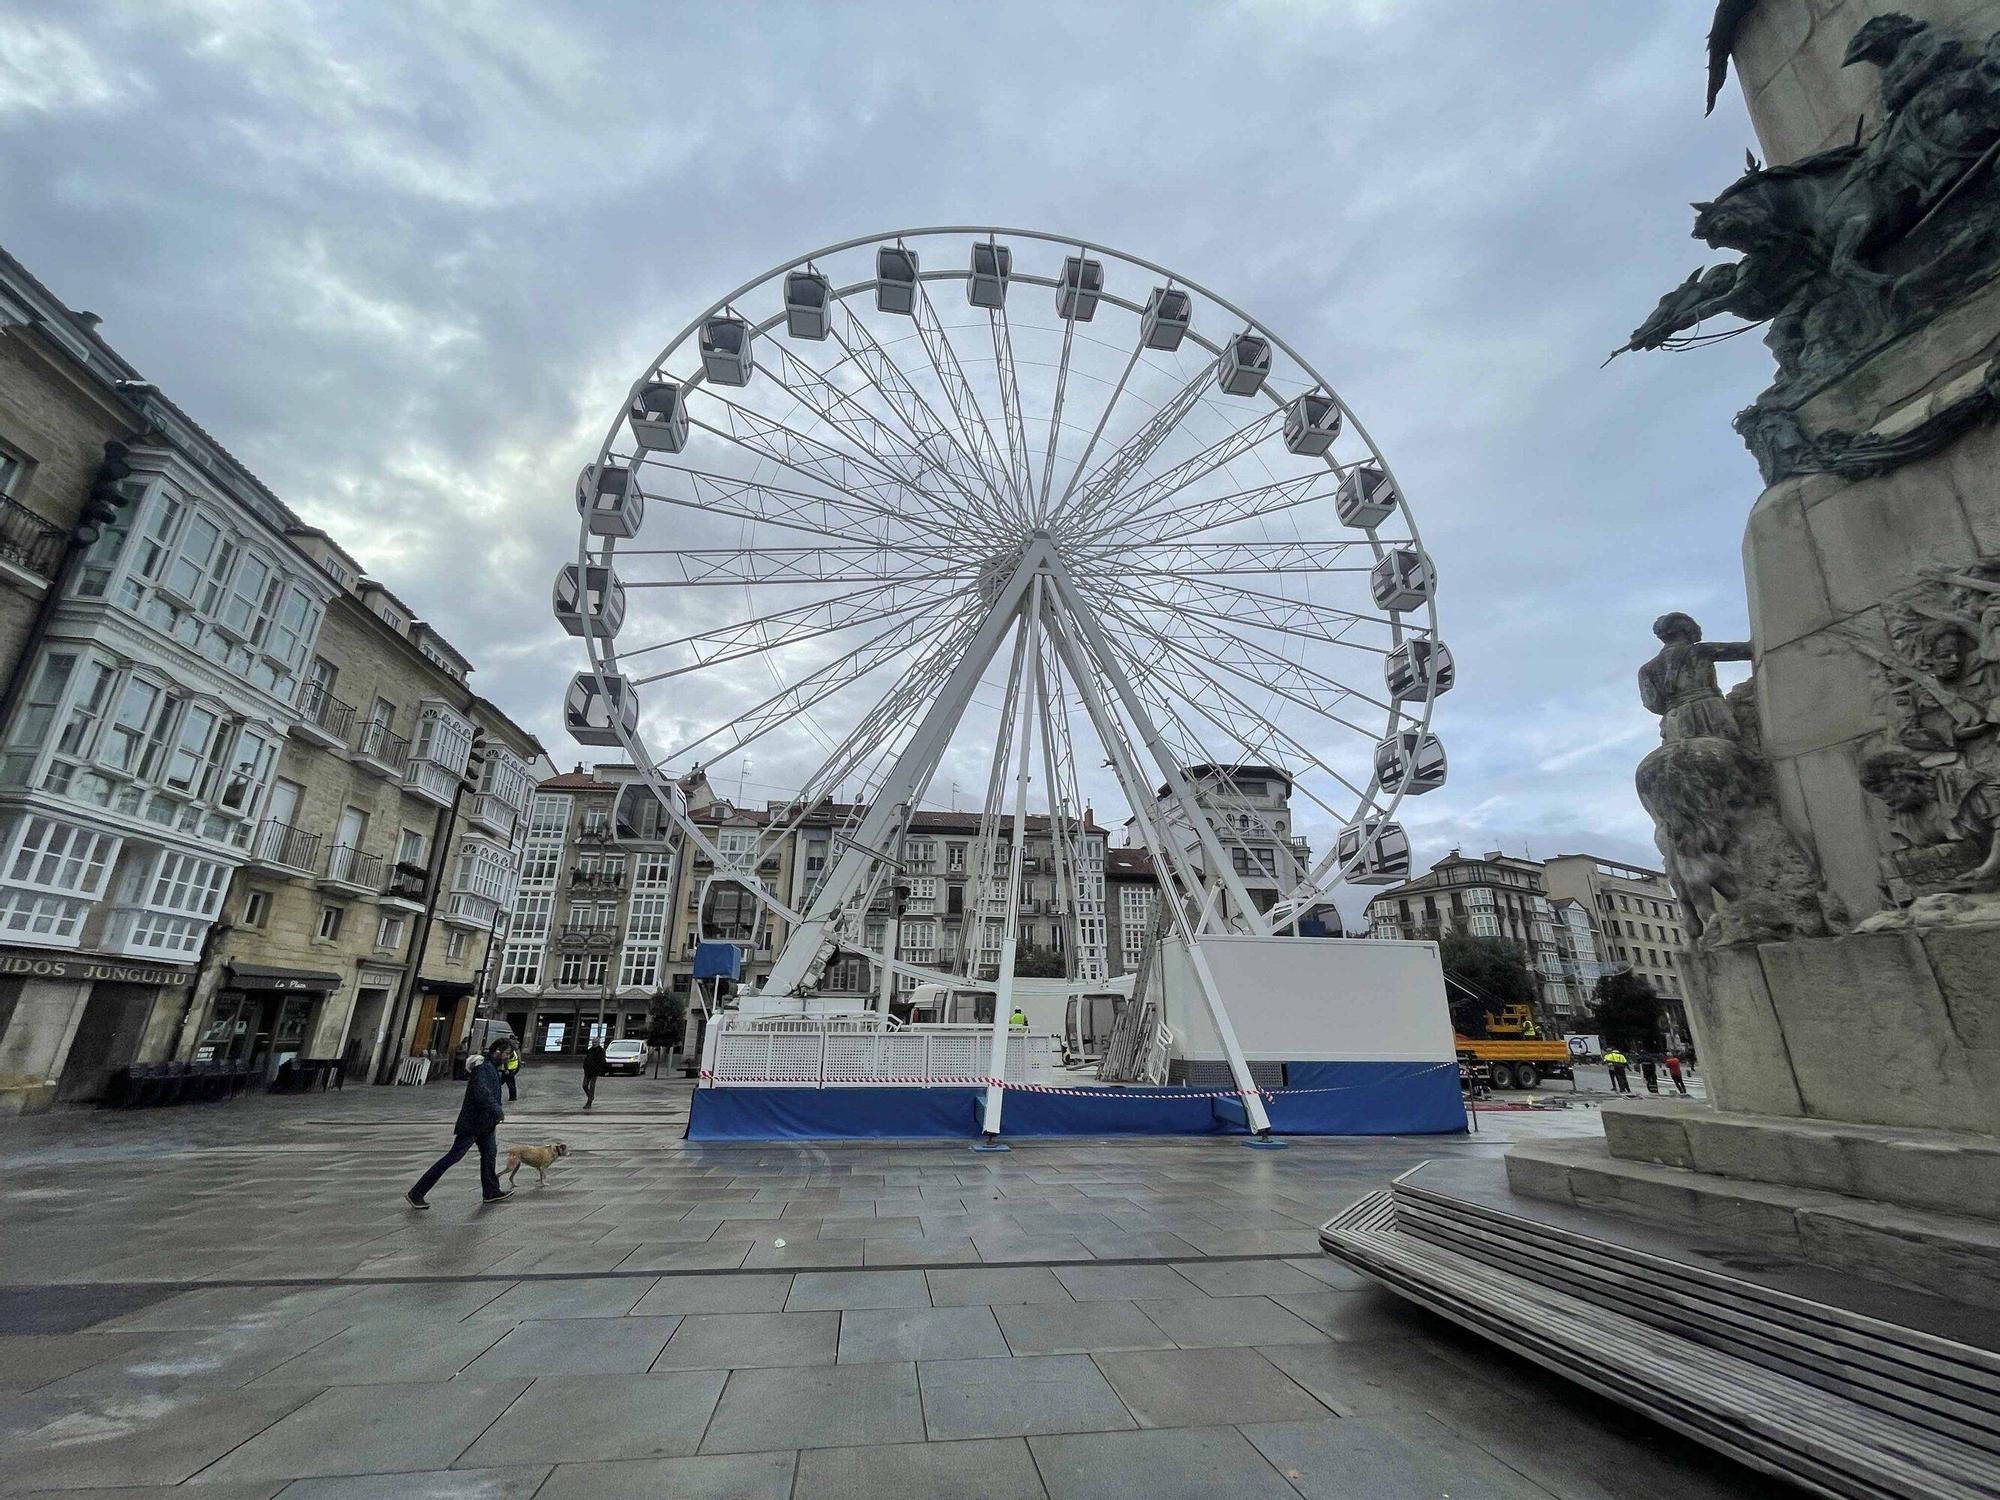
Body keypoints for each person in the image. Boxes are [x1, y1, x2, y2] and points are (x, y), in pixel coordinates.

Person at [406, 1039, 514, 1209]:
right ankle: (416, 1193)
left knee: (489, 1155)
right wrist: (497, 1111)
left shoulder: (491, 1067)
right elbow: (482, 1094)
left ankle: (491, 1192)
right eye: (507, 1054)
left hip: (485, 1124)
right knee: (453, 1157)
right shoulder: (483, 1068)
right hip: (473, 1123)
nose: (508, 1058)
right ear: (498, 1051)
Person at [582, 1039, 607, 1110]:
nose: (594, 1043)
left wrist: (598, 1069)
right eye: (593, 1042)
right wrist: (585, 1067)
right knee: (584, 1085)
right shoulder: (590, 1050)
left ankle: (589, 1102)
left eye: (595, 1042)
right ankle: (591, 1096)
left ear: (598, 1043)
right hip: (587, 1071)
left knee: (592, 1086)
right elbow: (586, 1060)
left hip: (595, 1072)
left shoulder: (601, 1051)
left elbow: (602, 1061)